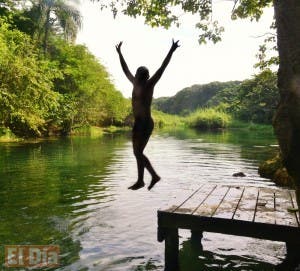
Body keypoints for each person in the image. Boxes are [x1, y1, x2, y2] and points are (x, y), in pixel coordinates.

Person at [116, 39, 180, 190]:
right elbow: (125, 69)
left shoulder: (149, 84)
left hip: (145, 123)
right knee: (137, 152)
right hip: (138, 122)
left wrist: (171, 50)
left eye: (141, 74)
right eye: (138, 73)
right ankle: (141, 180)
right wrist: (120, 53)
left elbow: (162, 67)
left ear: (145, 76)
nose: (138, 75)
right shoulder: (135, 83)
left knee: (138, 152)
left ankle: (151, 177)